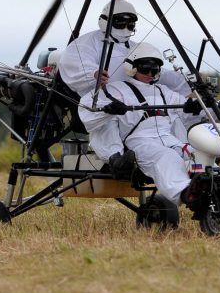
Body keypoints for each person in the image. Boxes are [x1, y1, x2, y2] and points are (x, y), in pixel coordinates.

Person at [78, 42, 198, 205]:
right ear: (132, 68)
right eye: (145, 69)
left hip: (169, 140)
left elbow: (190, 112)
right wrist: (108, 109)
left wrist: (210, 106)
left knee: (195, 153)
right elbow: (86, 109)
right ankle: (186, 194)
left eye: (154, 70)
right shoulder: (117, 90)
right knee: (166, 156)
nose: (150, 73)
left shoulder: (164, 91)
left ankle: (208, 184)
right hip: (140, 142)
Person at [57, 0, 190, 101]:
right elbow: (74, 63)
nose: (125, 29)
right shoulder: (87, 42)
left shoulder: (135, 47)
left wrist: (186, 80)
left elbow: (156, 72)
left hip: (135, 102)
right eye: (120, 23)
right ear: (106, 21)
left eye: (130, 25)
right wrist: (94, 74)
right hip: (104, 101)